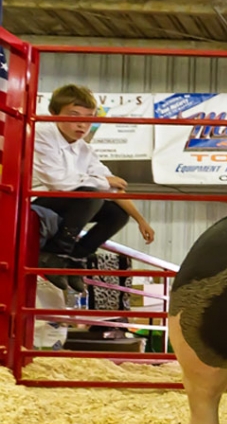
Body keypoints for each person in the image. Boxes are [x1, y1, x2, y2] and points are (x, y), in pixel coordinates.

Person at [32, 84, 154, 293]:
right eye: (74, 116)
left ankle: (75, 258)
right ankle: (54, 254)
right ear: (54, 113)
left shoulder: (84, 149)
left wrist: (140, 220)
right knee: (91, 194)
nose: (82, 124)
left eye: (89, 118)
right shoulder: (41, 135)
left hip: (69, 204)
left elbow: (114, 186)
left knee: (117, 213)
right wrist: (103, 181)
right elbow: (58, 182)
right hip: (34, 201)